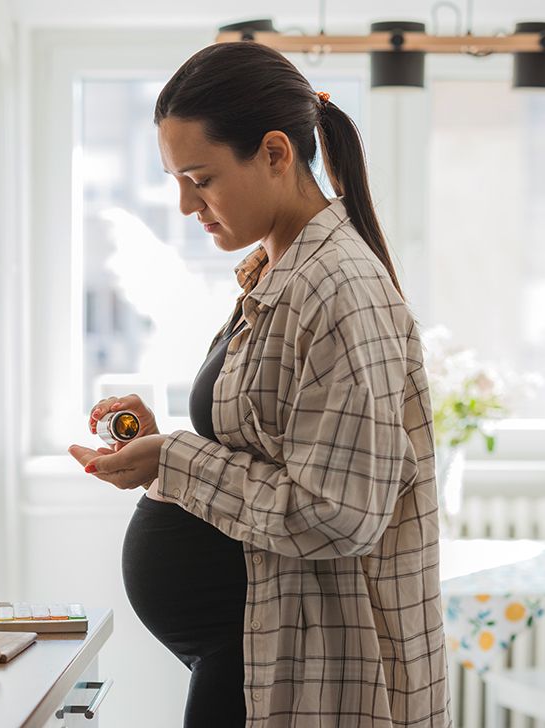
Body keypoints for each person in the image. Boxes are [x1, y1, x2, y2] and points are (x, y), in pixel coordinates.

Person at [68, 40, 449, 728]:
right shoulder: (278, 272)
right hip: (254, 651)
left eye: (200, 178)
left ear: (275, 153)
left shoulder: (338, 288)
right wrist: (158, 446)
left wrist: (173, 459)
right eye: (176, 180)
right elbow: (265, 449)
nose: (185, 205)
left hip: (305, 667)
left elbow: (338, 512)